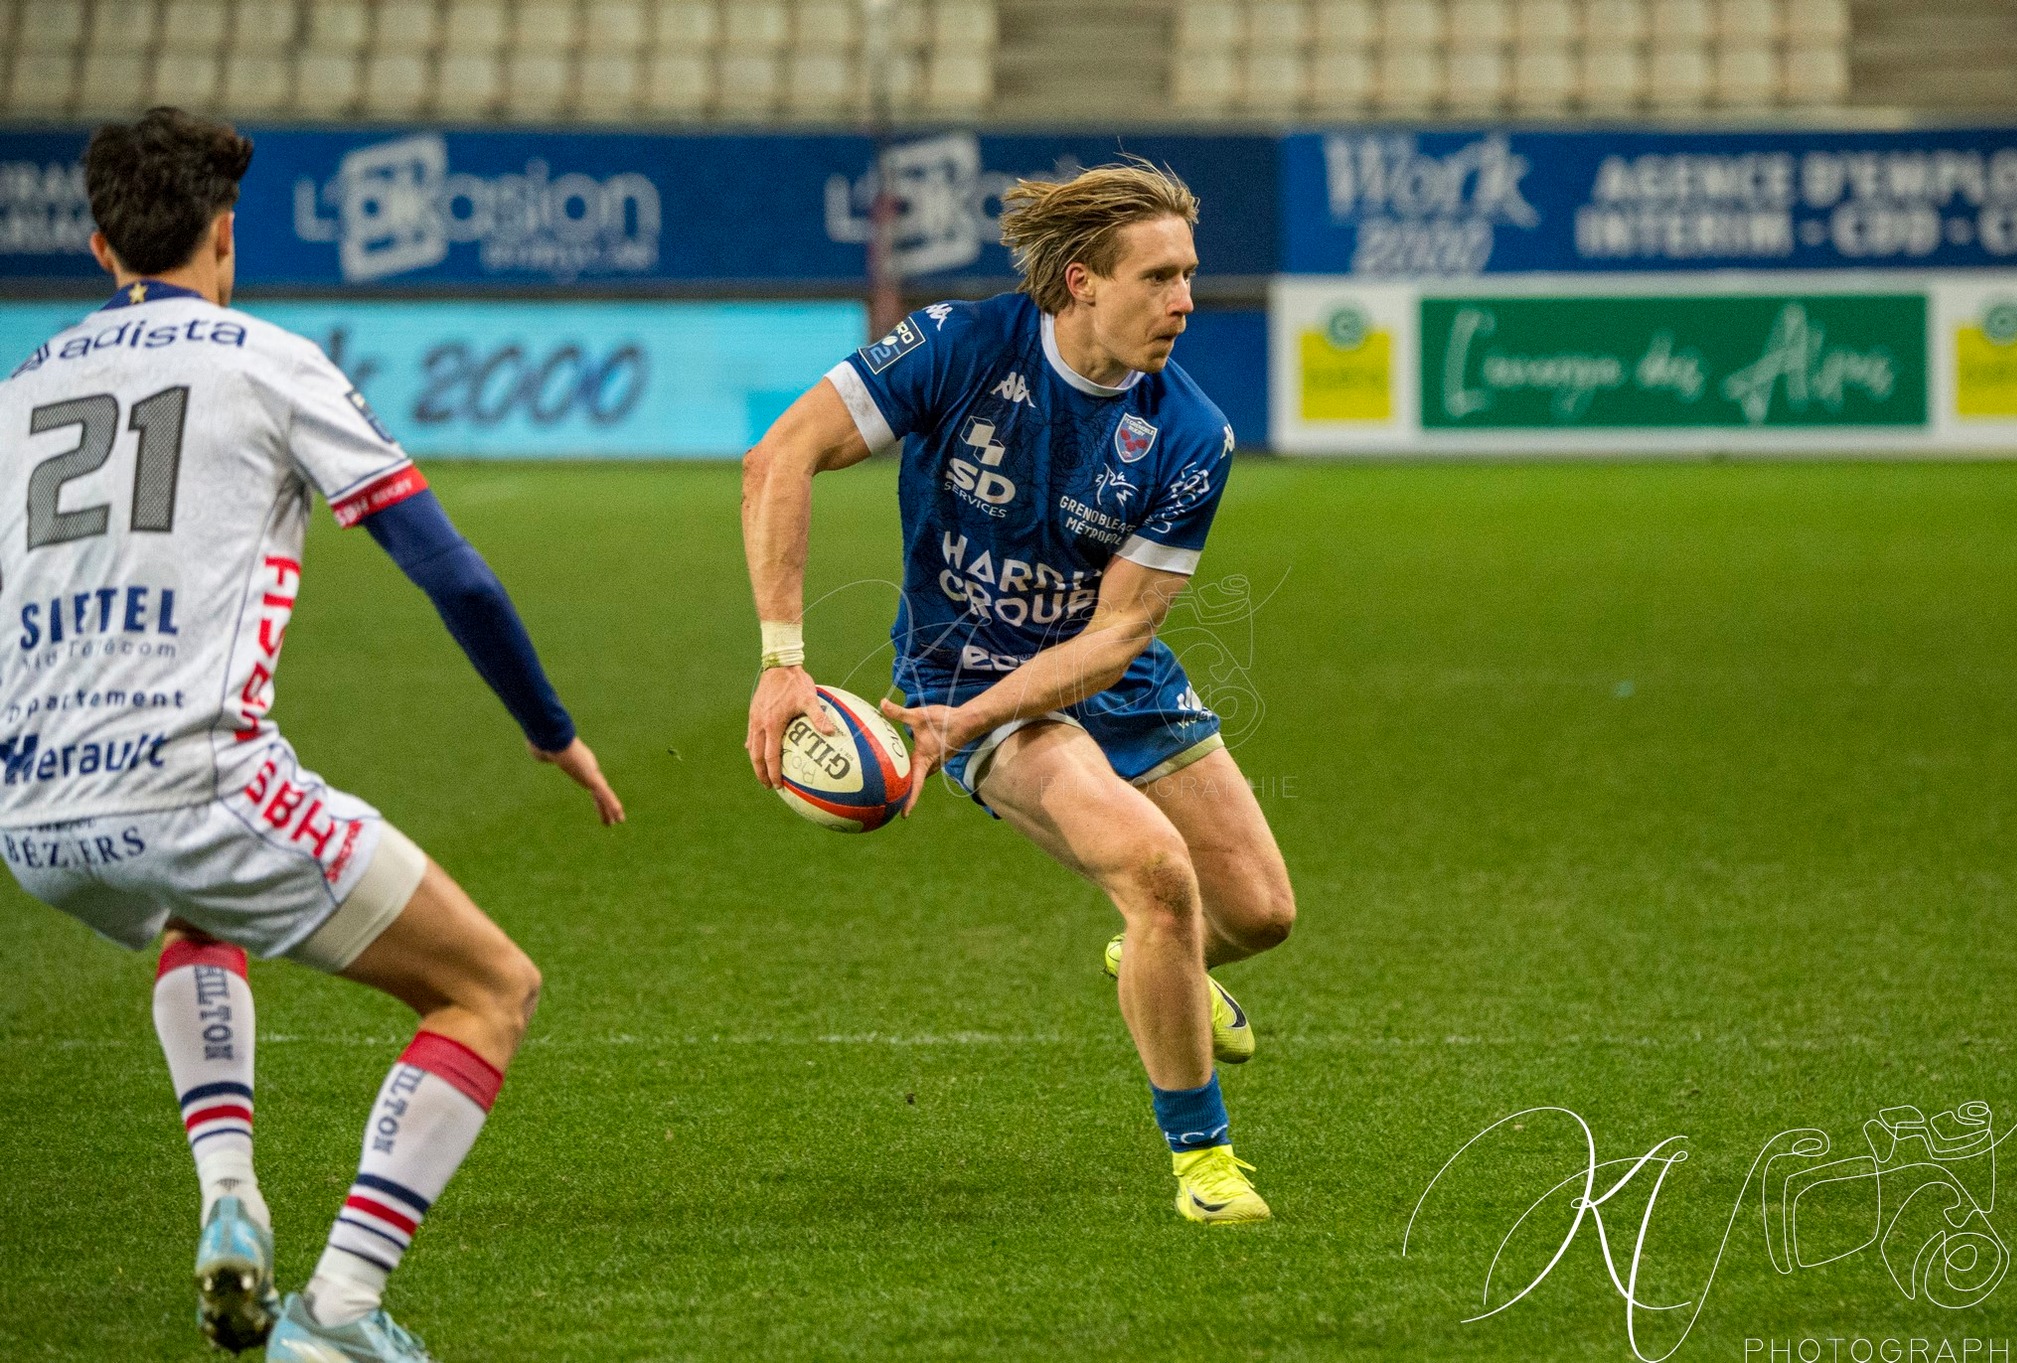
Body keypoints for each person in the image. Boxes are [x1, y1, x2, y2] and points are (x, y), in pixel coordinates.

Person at [0, 109, 624, 1361]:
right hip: (197, 785)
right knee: (488, 988)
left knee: (197, 913)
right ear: (226, 233)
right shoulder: (268, 361)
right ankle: (337, 1310)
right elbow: (450, 570)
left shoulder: (18, 392)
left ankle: (230, 1195)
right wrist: (548, 728)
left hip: (32, 816)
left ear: (98, 245)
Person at [742, 160, 1295, 1224]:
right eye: (1159, 277)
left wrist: (967, 726)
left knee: (1260, 913)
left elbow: (1117, 635)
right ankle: (1204, 1164)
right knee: (1156, 872)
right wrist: (782, 662)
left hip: (1103, 671)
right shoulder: (961, 344)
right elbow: (781, 457)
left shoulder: (1191, 434)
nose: (1185, 301)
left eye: (1189, 275)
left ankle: (1152, 953)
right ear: (1081, 280)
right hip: (961, 670)